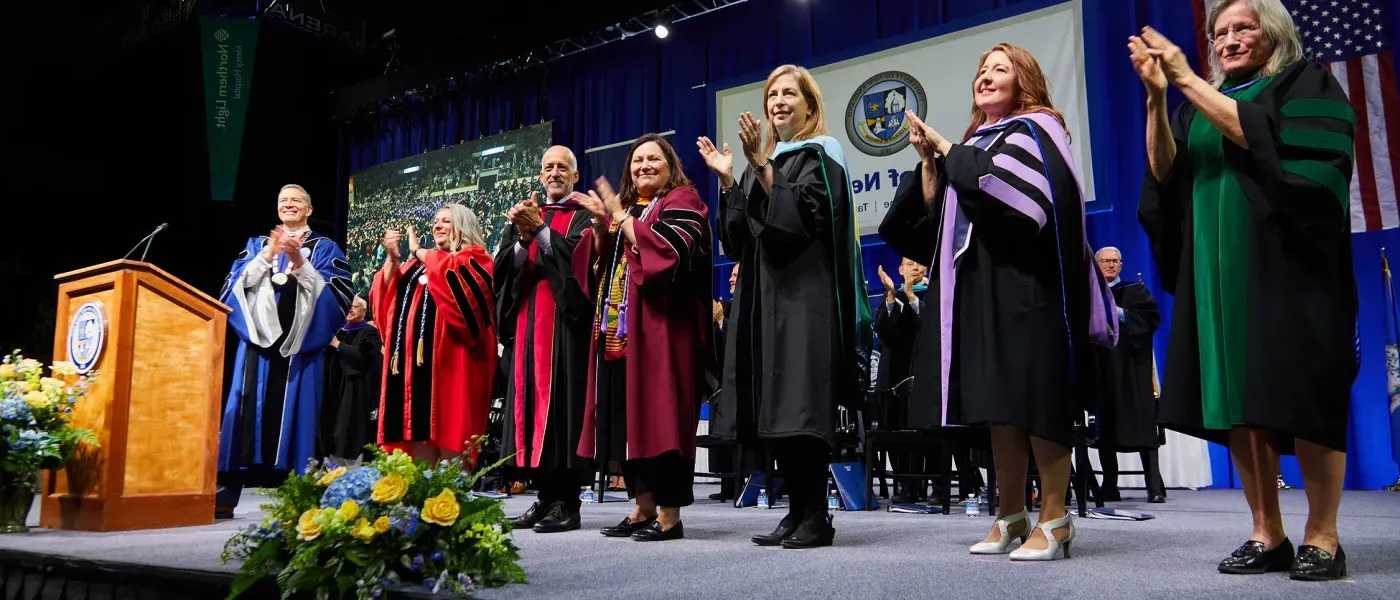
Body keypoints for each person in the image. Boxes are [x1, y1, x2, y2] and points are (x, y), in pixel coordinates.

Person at [1132, 0, 1358, 580]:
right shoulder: (1194, 107)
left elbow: (1289, 156)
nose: (1229, 39)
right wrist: (1160, 97)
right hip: (1215, 271)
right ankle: (1267, 532)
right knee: (1237, 399)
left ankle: (1323, 535)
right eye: (1220, 31)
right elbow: (1164, 176)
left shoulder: (1304, 83)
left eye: (1243, 28)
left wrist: (1184, 78)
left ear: (1272, 33)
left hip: (1286, 266)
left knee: (1303, 393)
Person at [878, 44, 1116, 561]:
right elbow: (936, 226)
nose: (986, 76)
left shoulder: (1037, 130)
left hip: (1028, 285)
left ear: (1024, 79)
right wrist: (929, 164)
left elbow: (1018, 205)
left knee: (1034, 400)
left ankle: (1055, 518)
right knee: (1000, 405)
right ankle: (1010, 515)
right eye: (982, 70)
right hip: (982, 284)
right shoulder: (975, 142)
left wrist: (948, 149)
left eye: (999, 69)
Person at [700, 64, 874, 549]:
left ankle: (816, 515)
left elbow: (803, 221)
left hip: (804, 299)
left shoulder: (823, 154)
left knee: (802, 405)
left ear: (810, 105)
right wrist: (731, 181)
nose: (778, 101)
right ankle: (796, 510)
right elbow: (737, 240)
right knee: (775, 407)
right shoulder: (769, 161)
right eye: (772, 94)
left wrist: (761, 168)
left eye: (789, 94)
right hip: (765, 300)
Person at [573, 133, 712, 542]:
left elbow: (672, 251)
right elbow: (596, 264)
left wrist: (621, 217)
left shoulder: (682, 201)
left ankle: (670, 515)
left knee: (662, 419)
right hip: (618, 334)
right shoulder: (627, 209)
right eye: (637, 161)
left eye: (654, 159)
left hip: (663, 332)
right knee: (627, 421)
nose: (644, 166)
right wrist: (601, 227)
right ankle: (642, 505)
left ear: (671, 166)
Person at [216, 184, 352, 518]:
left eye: (296, 200)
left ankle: (302, 496)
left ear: (309, 209)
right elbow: (230, 291)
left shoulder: (324, 248)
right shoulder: (256, 246)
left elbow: (337, 299)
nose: (288, 204)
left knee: (301, 419)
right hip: (256, 354)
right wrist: (267, 258)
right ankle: (226, 491)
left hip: (298, 352)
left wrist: (298, 263)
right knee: (244, 415)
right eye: (282, 201)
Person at [495, 146, 597, 534]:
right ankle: (542, 499)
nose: (554, 172)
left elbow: (581, 265)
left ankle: (567, 503)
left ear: (574, 175)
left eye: (562, 167)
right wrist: (523, 239)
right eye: (548, 167)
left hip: (564, 330)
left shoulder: (584, 213)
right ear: (540, 176)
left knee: (560, 413)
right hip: (527, 327)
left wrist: (540, 231)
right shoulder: (523, 215)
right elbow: (505, 268)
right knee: (530, 414)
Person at [371, 204, 497, 465]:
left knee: (453, 439)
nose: (437, 225)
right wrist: (393, 260)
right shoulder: (418, 266)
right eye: (436, 221)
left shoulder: (475, 259)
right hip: (414, 373)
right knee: (419, 444)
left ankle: (452, 500)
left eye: (446, 221)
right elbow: (385, 301)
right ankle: (421, 500)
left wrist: (418, 251)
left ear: (463, 226)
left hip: (453, 368)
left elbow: (465, 304)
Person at [1091, 248, 1165, 503]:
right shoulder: (1091, 294)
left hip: (1133, 368)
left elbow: (1151, 320)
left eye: (1115, 261)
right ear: (1096, 264)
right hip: (1103, 369)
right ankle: (1110, 485)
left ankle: (1154, 487)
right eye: (1105, 261)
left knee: (1144, 429)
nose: (1110, 265)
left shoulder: (1136, 290)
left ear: (1121, 266)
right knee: (1106, 430)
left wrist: (1120, 313)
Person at [321, 296, 383, 465]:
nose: (350, 310)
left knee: (349, 427)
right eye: (349, 307)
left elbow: (363, 358)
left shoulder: (369, 332)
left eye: (355, 307)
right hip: (334, 387)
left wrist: (339, 345)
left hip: (355, 388)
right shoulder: (340, 330)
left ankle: (352, 467)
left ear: (364, 312)